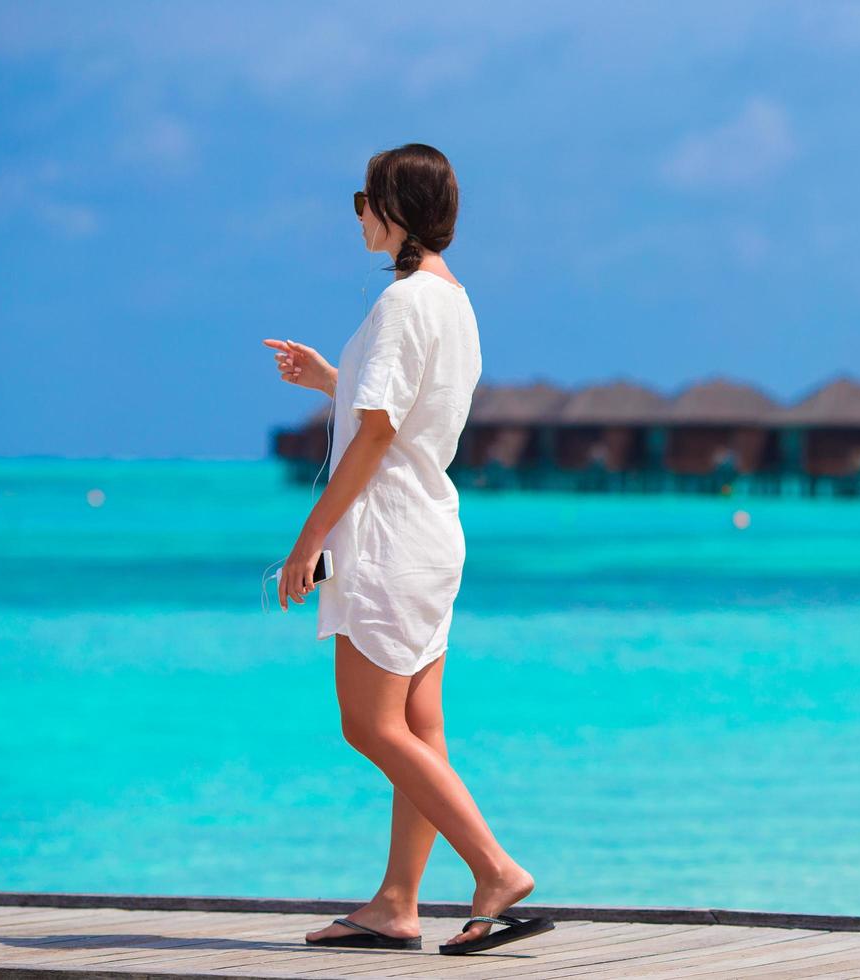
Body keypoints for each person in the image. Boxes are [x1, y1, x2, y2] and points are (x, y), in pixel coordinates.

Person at [261, 143, 550, 956]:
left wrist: (309, 539)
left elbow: (381, 431)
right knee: (420, 729)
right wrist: (333, 378)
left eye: (363, 200)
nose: (356, 214)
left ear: (392, 211)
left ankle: (494, 866)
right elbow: (402, 408)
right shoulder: (452, 301)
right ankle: (396, 902)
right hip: (433, 532)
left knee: (368, 724)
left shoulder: (400, 304)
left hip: (388, 536)